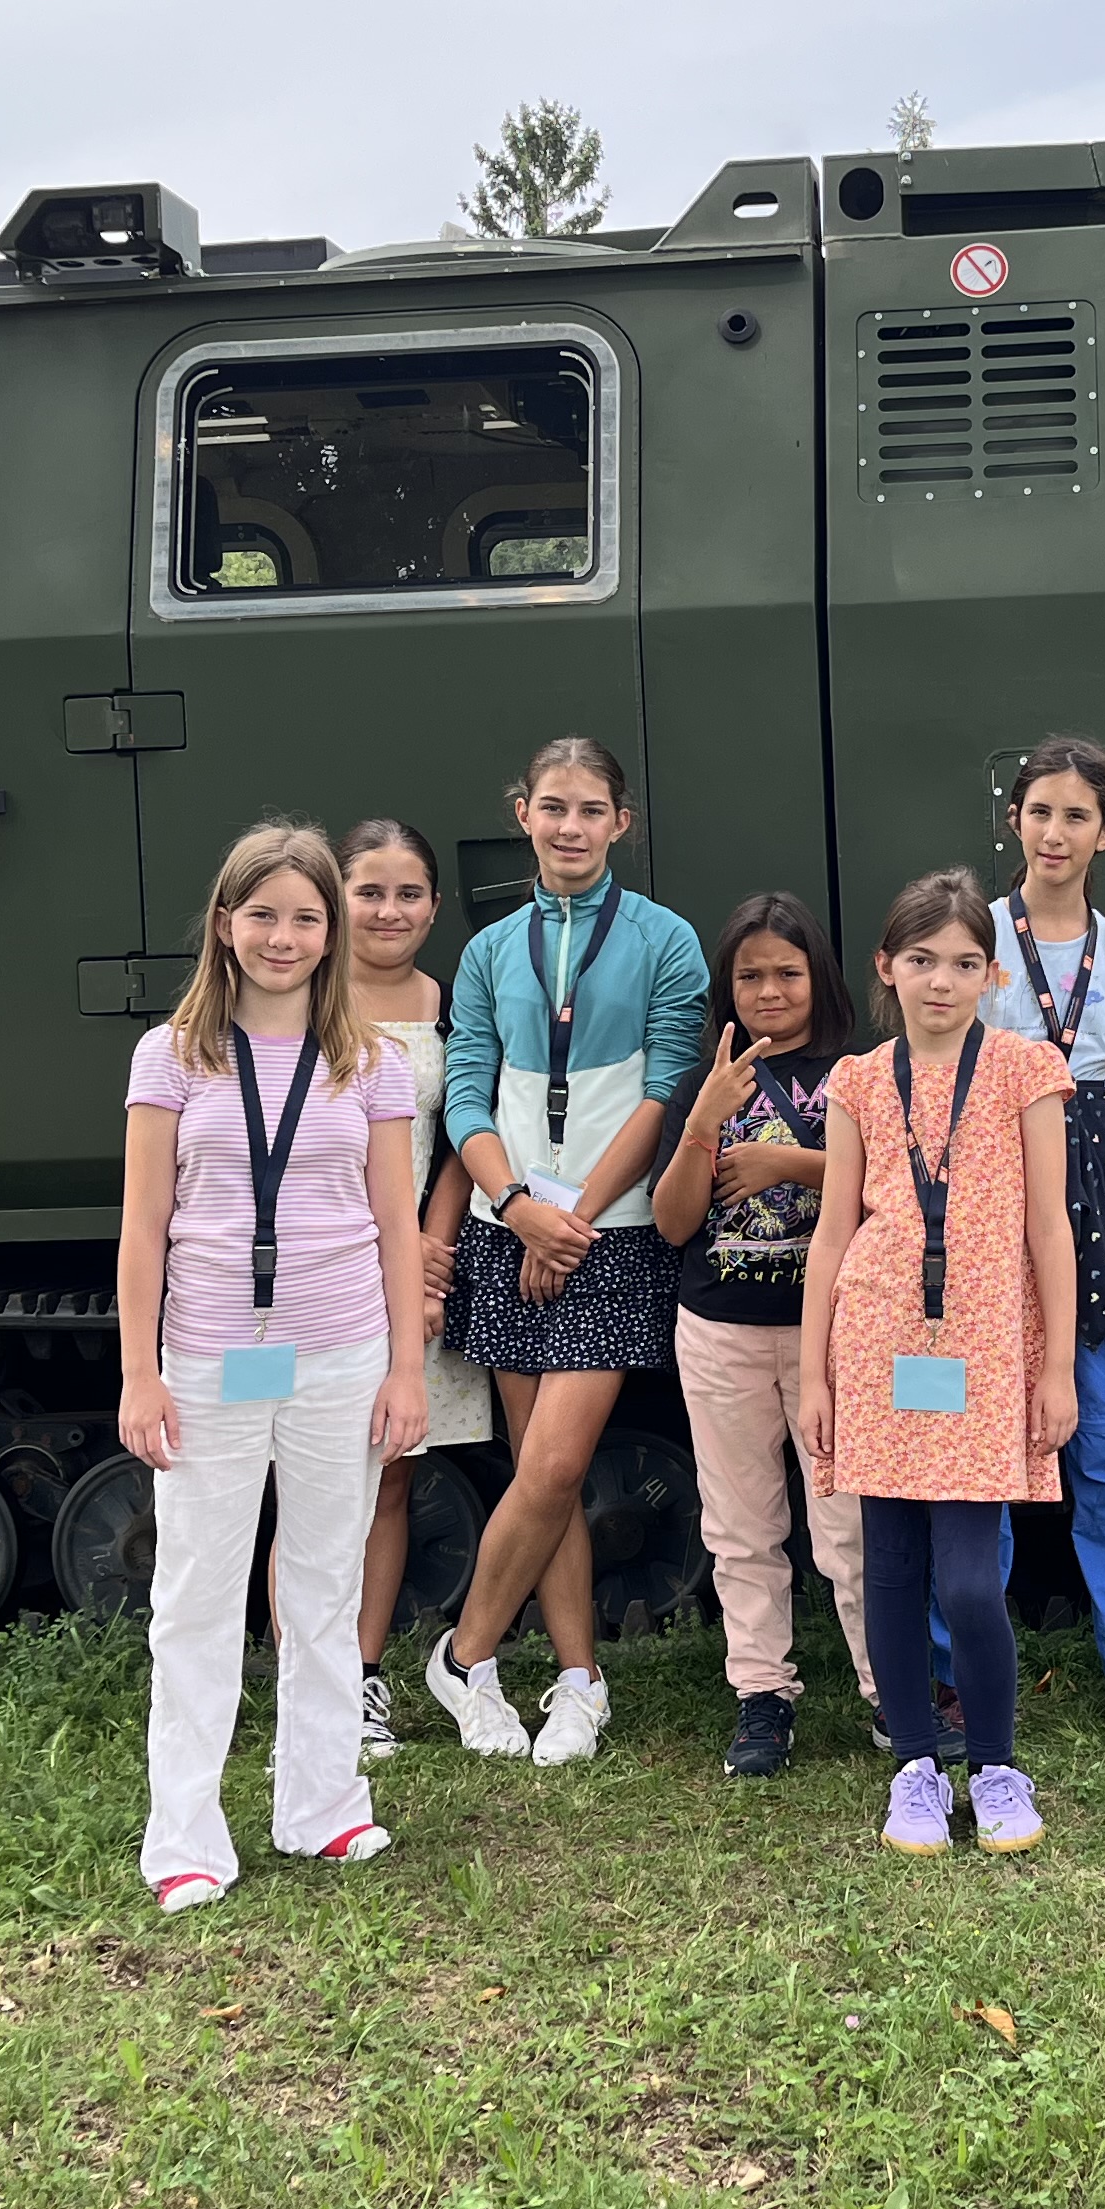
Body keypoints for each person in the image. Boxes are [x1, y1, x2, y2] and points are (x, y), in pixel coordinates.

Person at [115, 820, 429, 1907]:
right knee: (197, 1595)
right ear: (224, 925)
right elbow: (144, 1227)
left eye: (305, 917)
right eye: (264, 915)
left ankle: (322, 1808)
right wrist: (139, 1372)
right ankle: (186, 1838)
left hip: (341, 1356)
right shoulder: (172, 1057)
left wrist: (406, 1370)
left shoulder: (371, 1062)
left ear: (330, 931)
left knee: (324, 1586)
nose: (284, 937)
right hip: (211, 1360)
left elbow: (397, 1223)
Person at [424, 737, 713, 1768]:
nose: (572, 826)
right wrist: (513, 1204)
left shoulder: (667, 941)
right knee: (535, 1479)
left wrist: (572, 1221)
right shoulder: (491, 949)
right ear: (524, 814)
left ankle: (463, 1657)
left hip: (615, 1229)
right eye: (554, 807)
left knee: (554, 1464)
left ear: (620, 822)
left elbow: (664, 1091)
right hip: (510, 1231)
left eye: (591, 809)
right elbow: (466, 1093)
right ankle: (580, 1680)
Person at [799, 869, 1081, 1856]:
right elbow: (833, 1233)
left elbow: (1051, 1224)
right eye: (921, 960)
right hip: (877, 1341)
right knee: (892, 1567)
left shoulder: (1024, 1069)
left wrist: (1058, 1369)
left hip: (984, 1347)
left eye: (964, 963)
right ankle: (916, 1765)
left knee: (967, 1580)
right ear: (886, 967)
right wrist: (813, 1373)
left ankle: (995, 1764)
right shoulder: (859, 1081)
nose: (941, 982)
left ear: (989, 973)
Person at [977, 738, 1105, 1749]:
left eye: (1077, 816)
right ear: (1014, 819)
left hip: (1096, 1207)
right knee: (982, 1458)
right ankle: (965, 1667)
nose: (1055, 832)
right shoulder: (973, 940)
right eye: (1040, 811)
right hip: (987, 1193)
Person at [652, 890, 876, 1777]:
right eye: (750, 975)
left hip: (839, 1333)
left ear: (818, 974)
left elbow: (892, 1183)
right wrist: (707, 1114)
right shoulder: (702, 1083)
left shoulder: (863, 1069)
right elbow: (672, 1225)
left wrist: (787, 1161)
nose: (770, 991)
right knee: (742, 1523)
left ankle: (885, 1684)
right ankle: (761, 1694)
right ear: (728, 985)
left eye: (787, 972)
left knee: (850, 1522)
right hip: (722, 1329)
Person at [337, 817, 496, 1764]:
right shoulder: (300, 994)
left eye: (408, 894)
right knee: (313, 1487)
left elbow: (455, 1131)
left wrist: (431, 1254)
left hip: (418, 1270)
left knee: (390, 1479)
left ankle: (362, 1679)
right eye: (369, 891)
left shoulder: (448, 999)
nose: (389, 911)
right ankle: (313, 1686)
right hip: (327, 1259)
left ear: (435, 905)